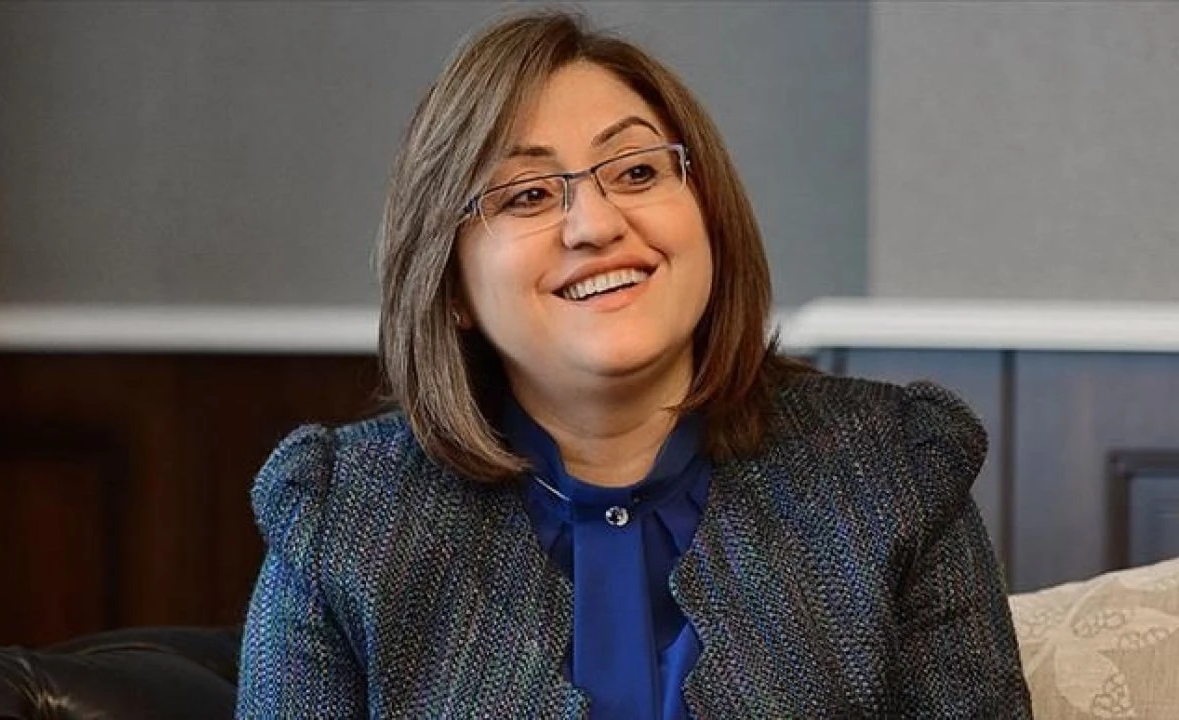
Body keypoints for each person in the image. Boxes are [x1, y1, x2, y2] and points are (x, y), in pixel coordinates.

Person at [237, 9, 1032, 718]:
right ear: (451, 286)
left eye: (638, 172)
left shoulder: (889, 472)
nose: (595, 224)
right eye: (527, 195)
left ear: (707, 214)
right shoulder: (344, 520)